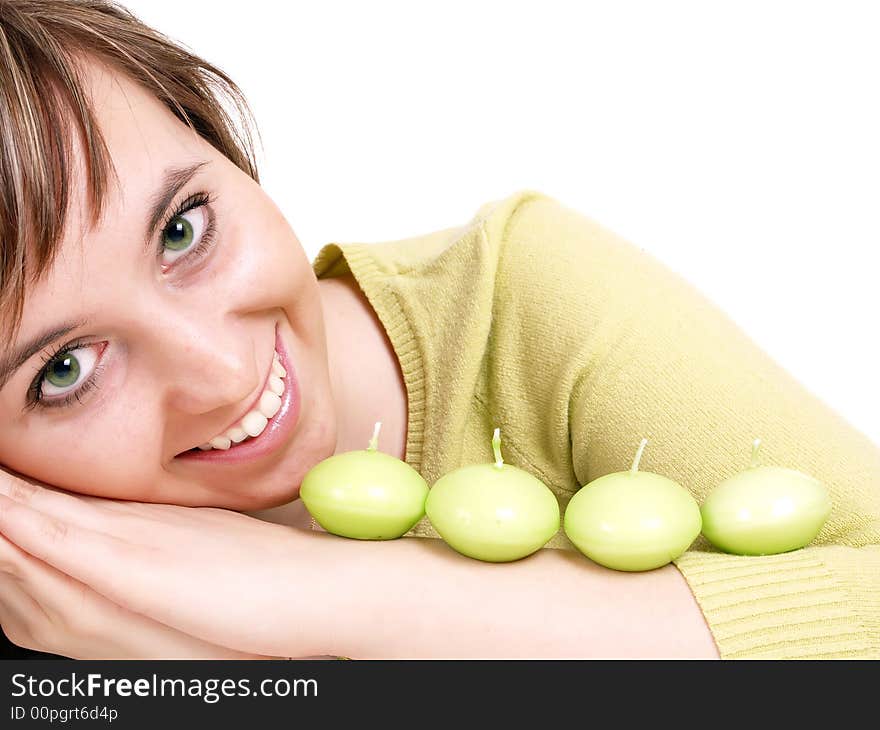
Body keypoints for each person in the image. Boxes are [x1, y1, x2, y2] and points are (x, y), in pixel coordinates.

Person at [0, 0, 877, 661]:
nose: (224, 372)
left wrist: (337, 597)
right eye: (66, 368)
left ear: (223, 148)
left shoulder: (523, 297)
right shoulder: (39, 609)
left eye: (183, 230)